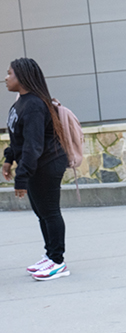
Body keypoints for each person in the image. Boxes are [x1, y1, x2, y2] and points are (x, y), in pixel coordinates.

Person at [3, 58, 71, 281]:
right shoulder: (20, 103)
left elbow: (33, 146)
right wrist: (8, 160)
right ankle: (50, 255)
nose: (5, 77)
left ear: (21, 76)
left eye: (9, 73)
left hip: (48, 164)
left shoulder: (33, 105)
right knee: (41, 213)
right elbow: (18, 138)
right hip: (37, 165)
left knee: (50, 212)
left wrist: (21, 178)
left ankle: (58, 262)